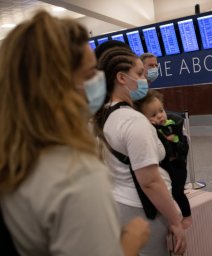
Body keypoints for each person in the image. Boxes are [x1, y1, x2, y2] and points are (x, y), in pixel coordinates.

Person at [0, 11, 149, 256]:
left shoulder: (14, 156)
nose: (99, 79)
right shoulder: (75, 176)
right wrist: (131, 241)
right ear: (56, 86)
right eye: (90, 73)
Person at [94, 47, 186, 255]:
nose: (145, 78)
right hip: (145, 212)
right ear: (121, 78)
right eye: (139, 73)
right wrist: (175, 220)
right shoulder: (134, 121)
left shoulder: (104, 115)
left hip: (120, 205)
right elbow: (150, 182)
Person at [135, 89, 192, 229]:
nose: (160, 116)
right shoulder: (147, 130)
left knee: (178, 192)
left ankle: (187, 215)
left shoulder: (173, 124)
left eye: (161, 111)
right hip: (163, 170)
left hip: (177, 167)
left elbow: (182, 146)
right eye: (153, 115)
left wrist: (175, 142)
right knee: (166, 193)